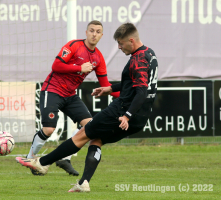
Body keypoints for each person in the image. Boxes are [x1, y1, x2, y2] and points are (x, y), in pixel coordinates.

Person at [16, 22, 158, 192]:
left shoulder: (136, 59)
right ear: (86, 32)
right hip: (139, 117)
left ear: (131, 40)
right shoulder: (150, 53)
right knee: (95, 138)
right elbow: (133, 84)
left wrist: (126, 114)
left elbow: (141, 92)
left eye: (121, 43)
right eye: (91, 30)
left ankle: (41, 163)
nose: (119, 47)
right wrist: (110, 89)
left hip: (122, 110)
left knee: (86, 131)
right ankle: (83, 183)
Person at [22, 20, 120, 176]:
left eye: (98, 32)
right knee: (49, 129)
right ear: (86, 32)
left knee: (90, 127)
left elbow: (106, 85)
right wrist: (79, 67)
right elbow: (56, 66)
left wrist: (129, 93)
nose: (94, 34)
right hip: (52, 90)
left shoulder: (99, 58)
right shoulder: (74, 46)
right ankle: (30, 159)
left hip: (70, 95)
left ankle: (64, 159)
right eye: (91, 30)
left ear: (102, 35)